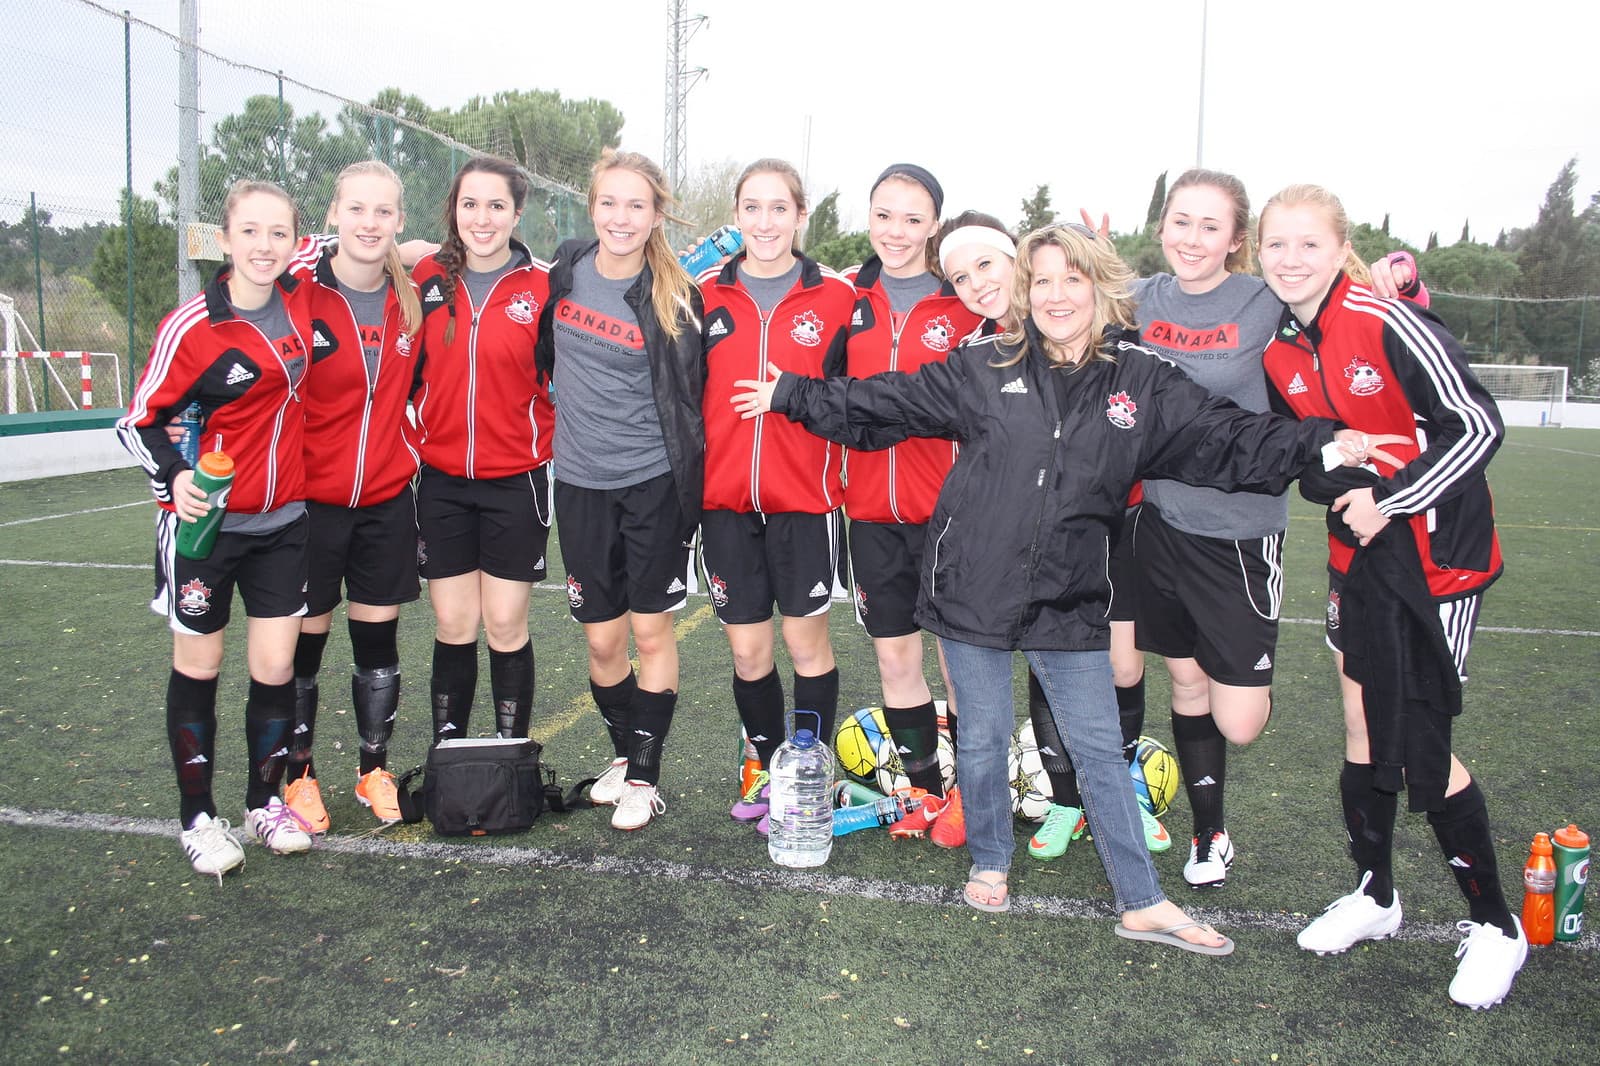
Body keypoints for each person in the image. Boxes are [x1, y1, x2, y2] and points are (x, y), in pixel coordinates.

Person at [734, 223, 1371, 948]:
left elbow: (1226, 436)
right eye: (1042, 281)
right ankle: (991, 860)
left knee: (1099, 748)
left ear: (1099, 286)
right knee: (980, 739)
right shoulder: (984, 363)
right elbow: (887, 402)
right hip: (972, 581)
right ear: (1026, 292)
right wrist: (792, 393)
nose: (1057, 295)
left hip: (1070, 591)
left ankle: (1142, 899)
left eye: (1073, 278)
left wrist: (1321, 441)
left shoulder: (1141, 378)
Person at [1082, 172, 1420, 885]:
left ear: (1238, 240)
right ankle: (1210, 833)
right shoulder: (1143, 299)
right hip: (1157, 521)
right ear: (1162, 227)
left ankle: (1240, 704)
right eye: (1180, 222)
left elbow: (1351, 310)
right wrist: (1094, 254)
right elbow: (1072, 305)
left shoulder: (1266, 299)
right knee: (1185, 681)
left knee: (1240, 722)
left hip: (1238, 533)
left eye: (1211, 226)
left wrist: (1401, 280)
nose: (1192, 239)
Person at [1256, 184, 1523, 1010]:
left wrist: (1392, 497)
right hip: (1358, 560)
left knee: (1418, 738)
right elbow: (1306, 459)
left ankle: (1497, 926)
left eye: (1309, 243)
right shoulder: (1279, 348)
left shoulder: (1387, 321)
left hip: (1437, 563)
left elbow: (1478, 426)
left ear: (1341, 249)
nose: (1291, 259)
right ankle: (1375, 895)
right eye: (1275, 244)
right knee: (1364, 726)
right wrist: (1328, 470)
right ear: (1257, 253)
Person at [117, 178, 318, 880]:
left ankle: (264, 803)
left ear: (295, 242)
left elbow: (364, 235)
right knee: (199, 666)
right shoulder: (192, 325)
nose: (264, 245)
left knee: (276, 668)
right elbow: (138, 419)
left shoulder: (301, 293)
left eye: (278, 233)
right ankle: (198, 818)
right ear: (224, 239)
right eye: (250, 231)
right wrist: (175, 477)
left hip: (285, 522)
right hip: (207, 529)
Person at [534, 149, 705, 832]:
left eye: (637, 205)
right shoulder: (567, 268)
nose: (621, 217)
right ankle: (623, 754)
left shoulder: (675, 297)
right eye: (610, 202)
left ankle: (644, 778)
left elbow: (692, 399)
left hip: (651, 486)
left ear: (657, 214)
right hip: (579, 484)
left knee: (650, 631)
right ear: (592, 206)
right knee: (603, 643)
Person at [936, 211, 1109, 862]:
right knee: (1004, 676)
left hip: (1093, 529)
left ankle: (1094, 797)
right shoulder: (973, 353)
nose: (977, 283)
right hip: (1006, 539)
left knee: (1093, 669)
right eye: (960, 277)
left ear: (1018, 261)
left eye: (986, 264)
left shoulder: (1079, 322)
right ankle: (1021, 802)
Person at [696, 159, 855, 834]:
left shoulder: (838, 298)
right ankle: (766, 767)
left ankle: (809, 771)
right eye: (752, 208)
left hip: (804, 503)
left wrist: (792, 398)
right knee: (748, 653)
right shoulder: (703, 295)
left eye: (778, 208)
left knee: (805, 643)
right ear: (736, 215)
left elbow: (854, 398)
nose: (765, 222)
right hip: (724, 504)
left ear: (800, 214)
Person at [275, 161, 423, 831]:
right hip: (310, 502)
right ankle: (299, 777)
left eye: (383, 211)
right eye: (356, 209)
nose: (369, 223)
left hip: (386, 498)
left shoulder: (412, 299)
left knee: (377, 643)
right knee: (304, 644)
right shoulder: (299, 290)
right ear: (333, 214)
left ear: (398, 220)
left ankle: (373, 770)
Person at [838, 165, 981, 845]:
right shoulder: (843, 296)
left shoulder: (966, 302)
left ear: (935, 227)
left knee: (961, 666)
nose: (896, 231)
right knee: (896, 661)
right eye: (884, 215)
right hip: (869, 513)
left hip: (952, 518)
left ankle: (972, 794)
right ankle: (925, 790)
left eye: (913, 219)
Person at [409, 157, 553, 753]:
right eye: (470, 204)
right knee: (453, 623)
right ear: (454, 211)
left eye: (496, 205)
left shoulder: (545, 286)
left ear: (517, 214)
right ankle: (449, 755)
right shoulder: (424, 277)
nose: (482, 218)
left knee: (505, 624)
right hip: (441, 479)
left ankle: (509, 757)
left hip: (516, 481)